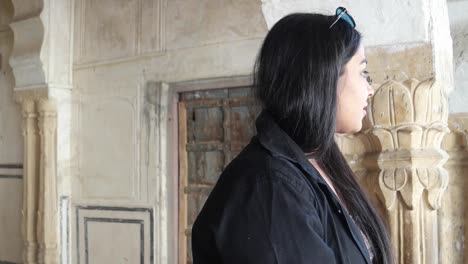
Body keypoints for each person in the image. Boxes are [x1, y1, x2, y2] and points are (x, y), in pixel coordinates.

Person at [191, 7, 393, 264]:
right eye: (362, 73)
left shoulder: (320, 160)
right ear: (323, 78)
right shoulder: (269, 189)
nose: (370, 89)